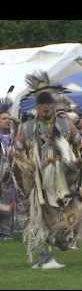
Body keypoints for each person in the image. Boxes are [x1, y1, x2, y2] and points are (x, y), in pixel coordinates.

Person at [15, 72, 82, 269]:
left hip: (64, 179)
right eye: (42, 105)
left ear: (53, 105)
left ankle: (59, 243)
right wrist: (28, 164)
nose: (45, 108)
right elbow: (16, 151)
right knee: (40, 219)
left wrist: (81, 157)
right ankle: (43, 258)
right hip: (40, 181)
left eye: (49, 104)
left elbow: (80, 144)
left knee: (69, 218)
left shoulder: (65, 123)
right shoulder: (27, 127)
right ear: (37, 107)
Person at [0, 96, 17, 240]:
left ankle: (6, 233)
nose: (8, 121)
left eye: (9, 119)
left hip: (9, 177)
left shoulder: (14, 138)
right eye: (4, 119)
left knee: (6, 204)